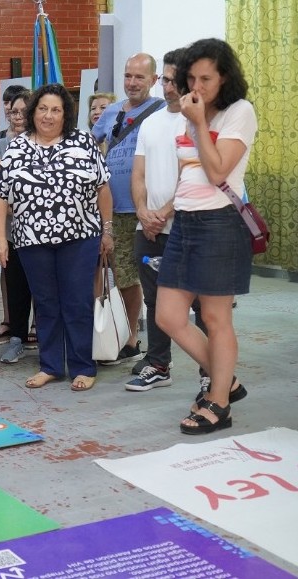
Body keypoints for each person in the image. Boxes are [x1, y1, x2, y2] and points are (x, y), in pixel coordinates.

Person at [154, 39, 256, 435]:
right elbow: (190, 172)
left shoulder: (238, 112)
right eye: (190, 78)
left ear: (224, 77)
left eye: (206, 79)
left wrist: (199, 123)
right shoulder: (191, 112)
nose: (197, 86)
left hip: (219, 222)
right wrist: (168, 209)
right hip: (185, 222)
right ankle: (224, 380)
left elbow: (217, 173)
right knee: (167, 315)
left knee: (215, 318)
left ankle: (219, 402)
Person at [0, 84, 114, 391]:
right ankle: (50, 366)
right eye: (43, 109)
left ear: (66, 114)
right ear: (33, 112)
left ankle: (83, 366)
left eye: (56, 109)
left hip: (81, 237)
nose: (48, 115)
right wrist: (0, 239)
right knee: (46, 304)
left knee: (76, 302)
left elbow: (103, 187)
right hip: (32, 239)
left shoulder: (83, 140)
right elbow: (0, 196)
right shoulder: (17, 147)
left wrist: (107, 230)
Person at [125, 48, 211, 392]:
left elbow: (200, 173)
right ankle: (159, 364)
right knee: (155, 300)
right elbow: (138, 174)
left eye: (175, 81)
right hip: (149, 229)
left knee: (203, 305)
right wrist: (144, 212)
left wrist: (165, 212)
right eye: (165, 80)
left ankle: (211, 372)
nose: (169, 88)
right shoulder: (151, 122)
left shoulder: (198, 121)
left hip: (189, 228)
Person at [92, 54, 164, 366]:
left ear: (154, 80)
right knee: (119, 274)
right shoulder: (110, 111)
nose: (132, 83)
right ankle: (125, 336)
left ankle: (133, 339)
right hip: (112, 209)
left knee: (139, 275)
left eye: (139, 77)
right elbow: (91, 149)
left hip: (147, 210)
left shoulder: (161, 111)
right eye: (128, 76)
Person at [0, 90, 36, 364]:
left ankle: (42, 334)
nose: (18, 117)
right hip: (12, 225)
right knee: (16, 283)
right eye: (14, 112)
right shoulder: (1, 145)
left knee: (41, 284)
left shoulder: (47, 143)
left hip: (43, 228)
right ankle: (16, 337)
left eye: (24, 112)